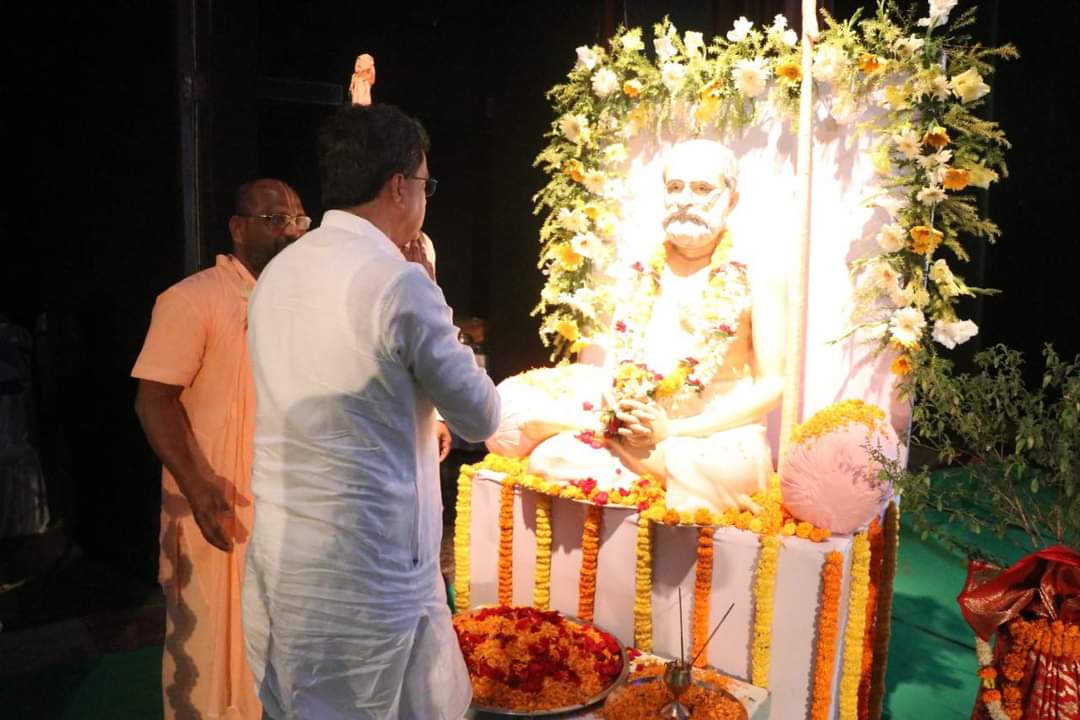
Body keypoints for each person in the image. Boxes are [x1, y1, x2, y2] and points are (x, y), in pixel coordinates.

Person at [242, 104, 499, 719]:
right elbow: (480, 416)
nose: (425, 199)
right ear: (399, 186)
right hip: (371, 576)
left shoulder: (278, 271)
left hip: (285, 555)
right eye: (426, 184)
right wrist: (433, 292)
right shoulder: (399, 281)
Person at [522, 139, 786, 514]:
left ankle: (669, 485)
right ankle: (667, 486)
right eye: (675, 187)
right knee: (550, 459)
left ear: (732, 200)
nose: (685, 200)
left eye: (703, 189)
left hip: (718, 439)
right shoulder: (641, 271)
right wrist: (620, 407)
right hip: (640, 436)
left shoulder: (757, 275)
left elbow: (773, 387)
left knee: (708, 469)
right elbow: (617, 361)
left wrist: (673, 431)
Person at [132, 179, 309, 720]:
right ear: (237, 228)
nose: (289, 232)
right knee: (213, 649)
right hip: (218, 502)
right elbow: (154, 400)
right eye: (274, 220)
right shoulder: (192, 299)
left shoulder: (302, 302)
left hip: (286, 506)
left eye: (298, 220)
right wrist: (198, 484)